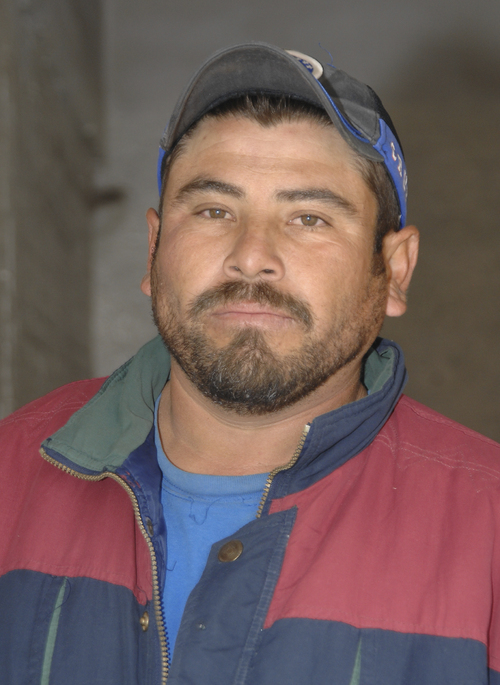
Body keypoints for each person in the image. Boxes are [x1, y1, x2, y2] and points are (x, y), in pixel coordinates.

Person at [1, 42, 499, 685]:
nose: (251, 256)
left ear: (395, 270)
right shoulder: (12, 475)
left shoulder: (486, 527)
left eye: (309, 218)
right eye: (214, 210)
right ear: (153, 249)